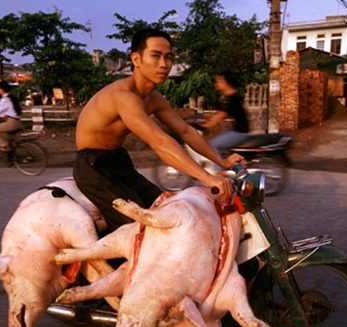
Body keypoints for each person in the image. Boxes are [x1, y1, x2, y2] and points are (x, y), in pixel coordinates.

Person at [73, 28, 241, 232]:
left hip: (118, 161)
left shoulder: (154, 99)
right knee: (141, 230)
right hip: (93, 167)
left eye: (168, 57)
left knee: (164, 209)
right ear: (136, 59)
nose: (164, 64)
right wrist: (207, 177)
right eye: (155, 56)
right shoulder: (123, 96)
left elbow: (186, 131)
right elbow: (159, 141)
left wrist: (221, 161)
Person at [199, 71, 253, 159]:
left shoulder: (232, 100)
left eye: (219, 81)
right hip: (238, 132)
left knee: (213, 145)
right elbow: (218, 114)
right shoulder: (230, 98)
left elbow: (216, 119)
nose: (216, 84)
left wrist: (202, 125)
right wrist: (205, 120)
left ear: (227, 83)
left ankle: (218, 171)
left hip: (239, 134)